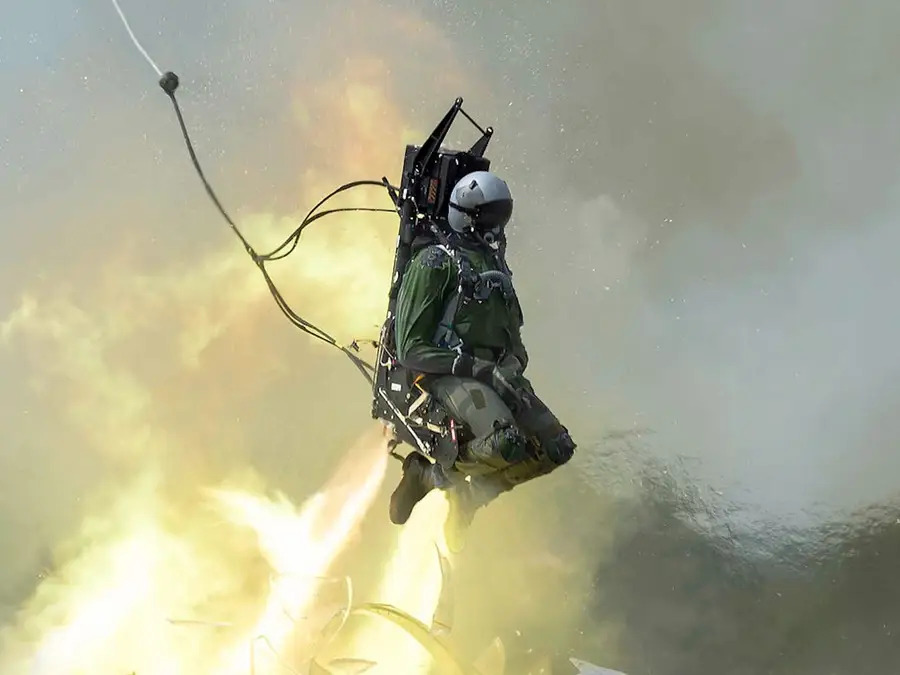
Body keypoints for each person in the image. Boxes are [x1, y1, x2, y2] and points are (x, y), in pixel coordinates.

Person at [387, 170, 576, 550]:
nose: (497, 229)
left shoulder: (495, 268)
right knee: (506, 442)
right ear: (468, 216)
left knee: (556, 448)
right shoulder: (435, 263)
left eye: (501, 219)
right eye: (490, 219)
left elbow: (514, 339)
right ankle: (429, 476)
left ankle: (469, 499)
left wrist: (510, 368)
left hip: (492, 375)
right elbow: (410, 349)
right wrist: (478, 369)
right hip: (444, 374)